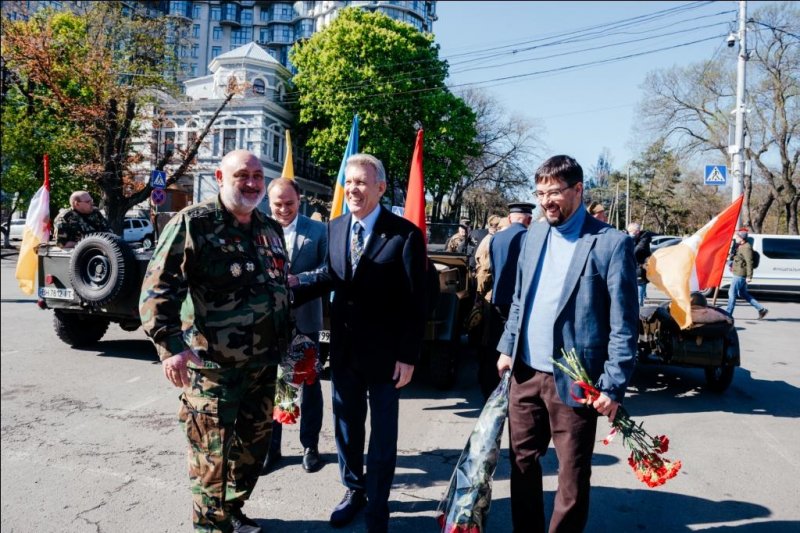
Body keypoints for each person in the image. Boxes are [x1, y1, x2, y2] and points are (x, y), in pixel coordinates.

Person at [139, 150, 291, 533]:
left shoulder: (270, 229)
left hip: (261, 367)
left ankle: (232, 511)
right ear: (221, 176)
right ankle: (210, 527)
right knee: (211, 456)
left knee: (253, 451)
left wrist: (291, 348)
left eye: (258, 176)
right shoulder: (194, 224)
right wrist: (171, 347)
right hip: (212, 368)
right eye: (243, 175)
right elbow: (157, 289)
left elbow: (277, 291)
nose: (253, 183)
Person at [496, 155, 638, 533]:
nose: (546, 201)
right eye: (540, 193)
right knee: (522, 465)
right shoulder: (534, 235)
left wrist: (612, 385)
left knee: (572, 477)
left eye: (555, 192)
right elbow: (519, 299)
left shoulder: (611, 244)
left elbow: (624, 326)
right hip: (525, 374)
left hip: (576, 382)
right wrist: (508, 345)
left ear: (578, 190)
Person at [292, 153, 426, 532]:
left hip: (386, 356)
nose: (353, 188)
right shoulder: (334, 228)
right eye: (348, 182)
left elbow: (417, 302)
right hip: (346, 351)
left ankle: (378, 503)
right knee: (347, 427)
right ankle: (353, 490)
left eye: (361, 182)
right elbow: (329, 276)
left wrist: (408, 354)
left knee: (383, 435)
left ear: (381, 188)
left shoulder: (405, 235)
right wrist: (292, 286)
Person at [263, 177, 327, 474]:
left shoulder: (317, 231)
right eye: (278, 204)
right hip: (268, 321)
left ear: (299, 201)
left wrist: (299, 280)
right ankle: (271, 446)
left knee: (308, 383)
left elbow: (329, 269)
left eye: (289, 204)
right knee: (274, 382)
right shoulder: (258, 227)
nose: (284, 209)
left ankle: (310, 446)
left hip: (305, 319)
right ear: (269, 202)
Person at [478, 202, 534, 399]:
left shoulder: (495, 239)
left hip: (498, 298)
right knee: (518, 346)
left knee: (495, 344)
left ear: (510, 218)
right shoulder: (530, 238)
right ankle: (514, 389)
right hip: (521, 302)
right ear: (529, 219)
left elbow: (492, 269)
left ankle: (491, 389)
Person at [726, 229, 768, 319]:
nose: (735, 238)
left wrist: (749, 276)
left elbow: (749, 262)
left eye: (737, 237)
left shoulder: (746, 248)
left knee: (731, 293)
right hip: (739, 273)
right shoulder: (741, 246)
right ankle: (761, 309)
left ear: (742, 238)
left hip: (740, 275)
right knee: (743, 294)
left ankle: (728, 315)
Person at [627, 222, 652, 307]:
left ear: (637, 231)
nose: (629, 233)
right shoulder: (629, 236)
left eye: (631, 231)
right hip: (633, 266)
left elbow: (637, 250)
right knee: (638, 287)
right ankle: (642, 299)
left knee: (640, 286)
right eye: (628, 231)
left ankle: (640, 309)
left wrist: (630, 241)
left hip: (640, 266)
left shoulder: (644, 238)